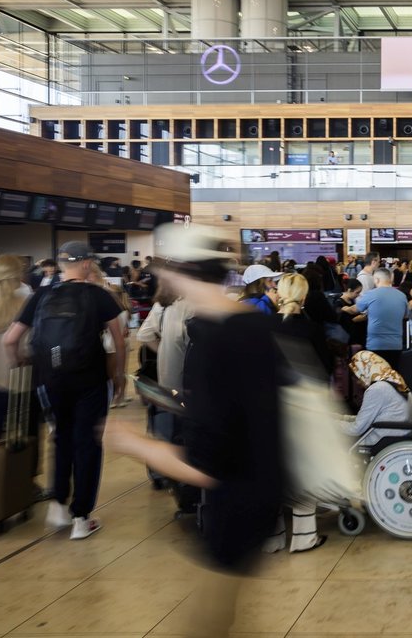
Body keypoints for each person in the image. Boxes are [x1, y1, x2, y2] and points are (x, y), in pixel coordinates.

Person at [104, 224, 284, 637]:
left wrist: (134, 444)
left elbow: (205, 464)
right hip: (265, 492)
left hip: (233, 505)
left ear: (180, 276)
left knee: (211, 620)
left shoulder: (211, 342)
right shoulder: (254, 326)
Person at [3, 241, 125, 541]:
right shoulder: (99, 295)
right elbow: (118, 339)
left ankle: (58, 506)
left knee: (61, 437)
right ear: (86, 264)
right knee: (88, 443)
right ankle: (81, 517)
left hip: (51, 379)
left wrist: (23, 363)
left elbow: (10, 339)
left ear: (60, 264)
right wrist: (119, 376)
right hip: (89, 379)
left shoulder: (41, 294)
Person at [262, 272, 328, 554]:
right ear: (304, 296)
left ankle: (272, 537)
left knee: (271, 471)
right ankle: (303, 536)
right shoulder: (312, 329)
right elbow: (323, 372)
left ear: (279, 293)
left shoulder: (263, 326)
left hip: (268, 407)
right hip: (304, 407)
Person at [0, 256, 30, 441]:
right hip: (16, 379)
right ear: (18, 274)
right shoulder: (24, 303)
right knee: (16, 435)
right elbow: (28, 347)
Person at [345, 269, 411, 368]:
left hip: (375, 344)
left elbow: (354, 310)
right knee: (392, 376)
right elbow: (405, 316)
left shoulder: (371, 294)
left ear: (376, 279)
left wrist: (343, 307)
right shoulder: (402, 296)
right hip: (395, 344)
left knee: (376, 377)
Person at [135, 281, 191, 394]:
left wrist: (163, 349)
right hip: (188, 369)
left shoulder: (160, 305)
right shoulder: (190, 305)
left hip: (167, 366)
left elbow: (144, 334)